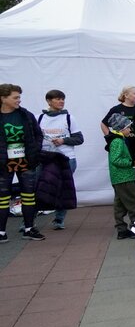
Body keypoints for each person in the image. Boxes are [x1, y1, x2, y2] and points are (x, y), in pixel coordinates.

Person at [0, 84, 45, 242]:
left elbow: (39, 134)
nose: (19, 100)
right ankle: (1, 232)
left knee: (28, 195)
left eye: (19, 97)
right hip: (3, 162)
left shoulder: (26, 115)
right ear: (3, 98)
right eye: (15, 97)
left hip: (25, 160)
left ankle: (29, 228)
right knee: (3, 197)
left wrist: (35, 150)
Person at [38, 89, 84, 230]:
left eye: (62, 99)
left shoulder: (69, 118)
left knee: (63, 189)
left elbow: (79, 139)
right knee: (39, 189)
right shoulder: (39, 118)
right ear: (49, 101)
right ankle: (28, 221)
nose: (61, 101)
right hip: (45, 158)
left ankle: (59, 219)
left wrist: (63, 140)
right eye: (57, 99)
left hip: (66, 158)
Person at [104, 113, 135, 240]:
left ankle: (121, 229)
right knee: (133, 204)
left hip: (117, 178)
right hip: (125, 177)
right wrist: (132, 163)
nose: (130, 129)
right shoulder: (118, 141)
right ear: (121, 128)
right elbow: (116, 160)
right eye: (128, 127)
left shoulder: (114, 140)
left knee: (119, 205)